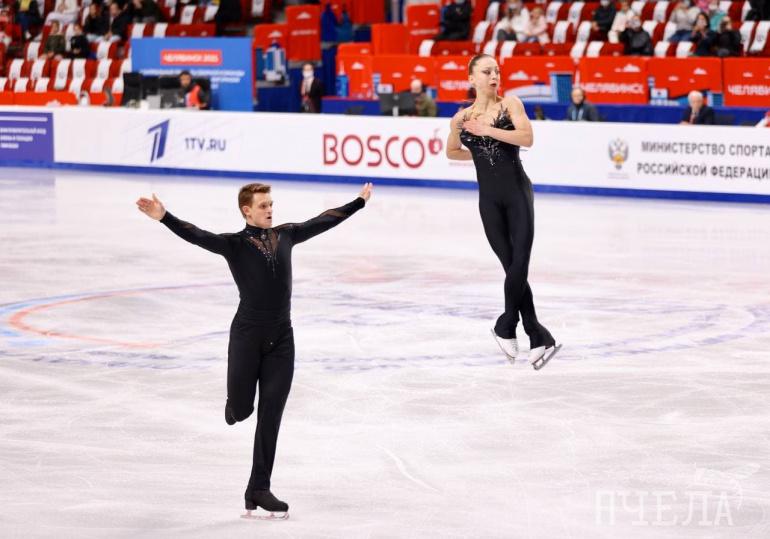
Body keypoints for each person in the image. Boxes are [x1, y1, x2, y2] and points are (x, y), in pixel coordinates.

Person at [135, 182, 373, 518]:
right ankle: (235, 405)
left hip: (282, 339)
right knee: (243, 409)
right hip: (246, 338)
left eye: (271, 204)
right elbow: (196, 234)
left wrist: (358, 202)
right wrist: (164, 217)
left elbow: (323, 220)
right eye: (263, 206)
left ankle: (258, 488)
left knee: (271, 415)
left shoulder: (287, 234)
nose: (270, 210)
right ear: (247, 211)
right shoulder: (234, 245)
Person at [445, 54, 561, 370]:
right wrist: (478, 153)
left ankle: (506, 324)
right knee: (511, 267)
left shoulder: (510, 105)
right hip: (489, 202)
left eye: (497, 70)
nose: (494, 75)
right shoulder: (460, 118)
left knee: (519, 263)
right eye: (487, 71)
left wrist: (487, 131)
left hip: (518, 194)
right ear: (471, 78)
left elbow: (527, 138)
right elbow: (452, 151)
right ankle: (536, 333)